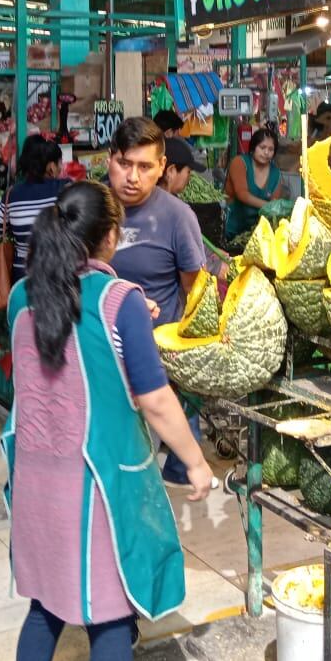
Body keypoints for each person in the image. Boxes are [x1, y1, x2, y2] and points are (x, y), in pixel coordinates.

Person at [4, 180, 211, 661]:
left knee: (45, 608)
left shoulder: (20, 296)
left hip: (35, 482)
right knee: (111, 616)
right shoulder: (119, 300)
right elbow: (155, 399)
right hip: (95, 487)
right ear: (110, 236)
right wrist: (196, 462)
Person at [106, 118, 206, 487]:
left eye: (145, 166)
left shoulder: (178, 217)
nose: (133, 177)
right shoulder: (89, 209)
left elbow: (193, 288)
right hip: (98, 362)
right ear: (109, 159)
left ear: (162, 167)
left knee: (138, 471)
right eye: (124, 163)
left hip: (152, 363)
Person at [0, 135, 69, 285]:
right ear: (51, 167)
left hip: (23, 278)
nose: (61, 167)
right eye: (59, 163)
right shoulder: (65, 189)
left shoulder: (11, 195)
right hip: (59, 274)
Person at [223, 128, 281, 238]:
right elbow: (242, 194)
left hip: (256, 234)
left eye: (271, 149)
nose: (266, 152)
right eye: (262, 147)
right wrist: (268, 206)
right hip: (231, 230)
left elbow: (275, 205)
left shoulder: (276, 173)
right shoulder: (239, 162)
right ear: (254, 147)